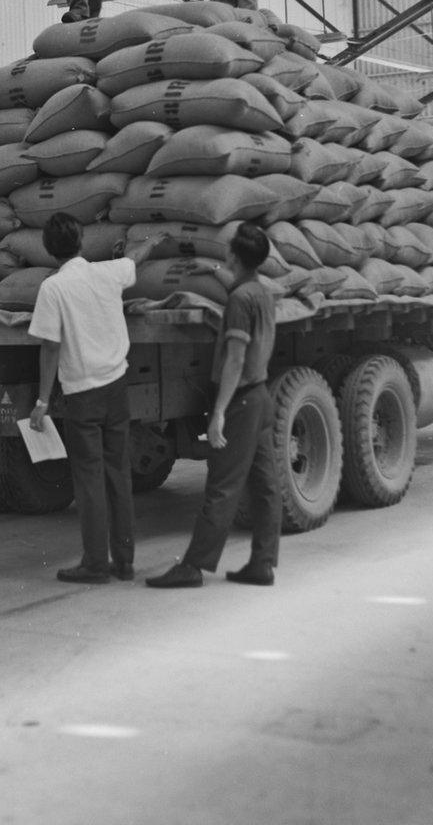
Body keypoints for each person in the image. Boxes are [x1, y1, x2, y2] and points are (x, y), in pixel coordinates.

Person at [27, 213, 168, 584]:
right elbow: (134, 259)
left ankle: (95, 563)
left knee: (89, 481)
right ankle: (124, 561)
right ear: (82, 242)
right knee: (118, 473)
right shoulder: (107, 273)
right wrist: (152, 243)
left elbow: (50, 347)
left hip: (83, 396)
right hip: (116, 388)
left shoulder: (52, 289)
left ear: (47, 248)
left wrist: (42, 401)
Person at [146, 224, 281, 589]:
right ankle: (263, 563)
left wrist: (219, 412)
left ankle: (193, 566)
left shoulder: (239, 302)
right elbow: (237, 283)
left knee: (222, 484)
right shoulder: (260, 291)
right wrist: (213, 272)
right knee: (266, 483)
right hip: (262, 396)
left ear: (233, 256)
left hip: (240, 401)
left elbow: (236, 358)